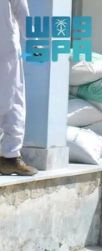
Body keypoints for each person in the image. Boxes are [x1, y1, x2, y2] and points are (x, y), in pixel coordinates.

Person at [0, 0, 36, 176]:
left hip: (6, 50)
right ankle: (9, 156)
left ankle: (10, 156)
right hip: (5, 51)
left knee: (12, 101)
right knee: (14, 101)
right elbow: (22, 12)